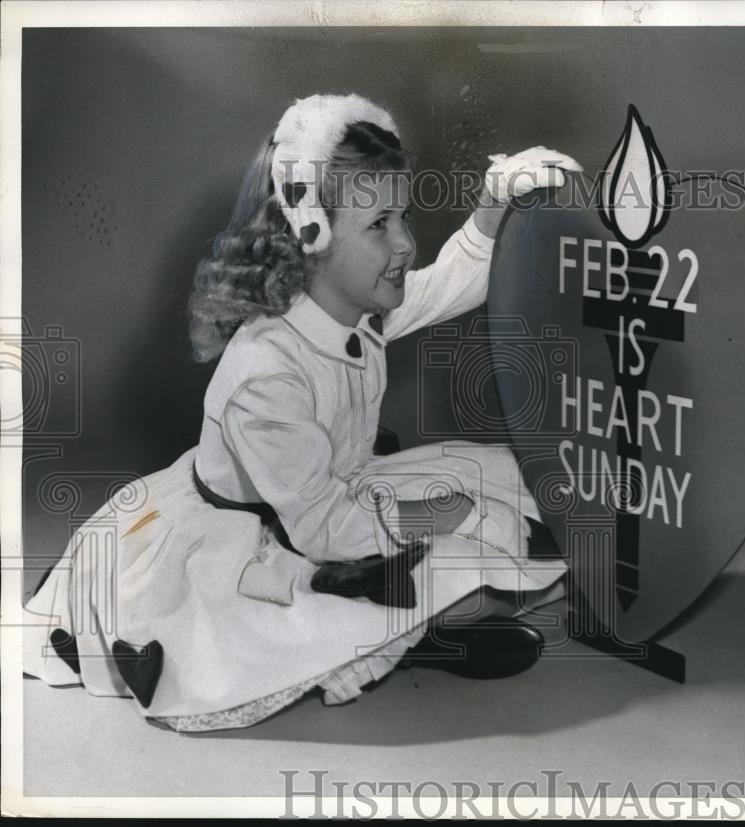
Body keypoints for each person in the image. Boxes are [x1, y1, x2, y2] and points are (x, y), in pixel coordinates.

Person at [22, 93, 579, 732]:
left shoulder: (360, 306)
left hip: (330, 496)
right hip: (251, 541)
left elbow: (450, 282)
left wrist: (493, 206)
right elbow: (323, 530)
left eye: (401, 217)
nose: (404, 243)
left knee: (527, 493)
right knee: (476, 564)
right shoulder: (265, 374)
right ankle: (396, 634)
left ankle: (402, 627)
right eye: (378, 225)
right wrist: (440, 515)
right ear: (310, 235)